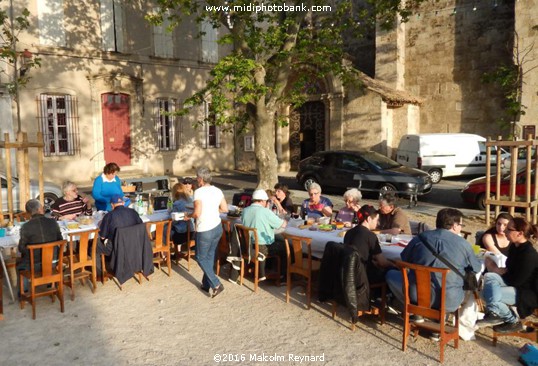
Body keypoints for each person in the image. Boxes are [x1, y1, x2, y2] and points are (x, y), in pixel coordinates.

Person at [385, 208, 482, 313]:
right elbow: (476, 268)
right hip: (450, 301)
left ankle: (414, 310)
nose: (460, 228)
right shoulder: (464, 244)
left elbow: (405, 259)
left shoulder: (419, 238)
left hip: (416, 295)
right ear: (454, 226)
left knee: (390, 274)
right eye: (461, 225)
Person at [478, 217, 538, 333]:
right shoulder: (515, 247)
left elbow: (517, 281)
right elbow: (509, 271)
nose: (504, 231)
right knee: (489, 276)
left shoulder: (529, 255)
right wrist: (499, 272)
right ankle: (498, 314)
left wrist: (501, 274)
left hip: (526, 293)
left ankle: (511, 320)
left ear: (520, 233)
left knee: (486, 294)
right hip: (513, 283)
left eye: (508, 229)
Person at [184, 167, 227, 298]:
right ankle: (206, 284)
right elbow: (224, 208)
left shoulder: (199, 192)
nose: (196, 181)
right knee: (209, 256)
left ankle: (216, 283)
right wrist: (212, 211)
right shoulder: (218, 190)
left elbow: (197, 213)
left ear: (201, 179)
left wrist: (188, 216)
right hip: (217, 226)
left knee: (200, 257)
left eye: (197, 178)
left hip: (205, 228)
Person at [17, 199, 63, 295]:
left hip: (34, 265)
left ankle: (23, 293)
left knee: (19, 265)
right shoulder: (53, 222)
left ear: (29, 213)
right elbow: (60, 240)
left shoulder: (25, 227)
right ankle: (50, 283)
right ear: (39, 209)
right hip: (53, 262)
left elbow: (22, 249)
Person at [241, 189, 288, 281]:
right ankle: (283, 277)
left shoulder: (245, 210)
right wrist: (286, 220)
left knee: (278, 241)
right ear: (262, 201)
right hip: (263, 247)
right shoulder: (265, 212)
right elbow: (282, 224)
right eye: (266, 201)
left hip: (248, 245)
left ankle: (267, 267)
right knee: (286, 247)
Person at [343, 205, 392, 283]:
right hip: (363, 275)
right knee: (391, 271)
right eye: (376, 220)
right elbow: (382, 262)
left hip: (348, 272)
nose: (378, 223)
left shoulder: (349, 232)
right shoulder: (370, 235)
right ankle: (384, 294)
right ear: (369, 219)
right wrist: (395, 264)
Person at [97, 195, 143, 271]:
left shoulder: (109, 216)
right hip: (134, 245)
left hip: (117, 248)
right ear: (123, 203)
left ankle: (99, 274)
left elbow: (102, 236)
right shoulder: (133, 212)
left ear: (112, 205)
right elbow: (140, 226)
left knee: (94, 246)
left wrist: (101, 224)